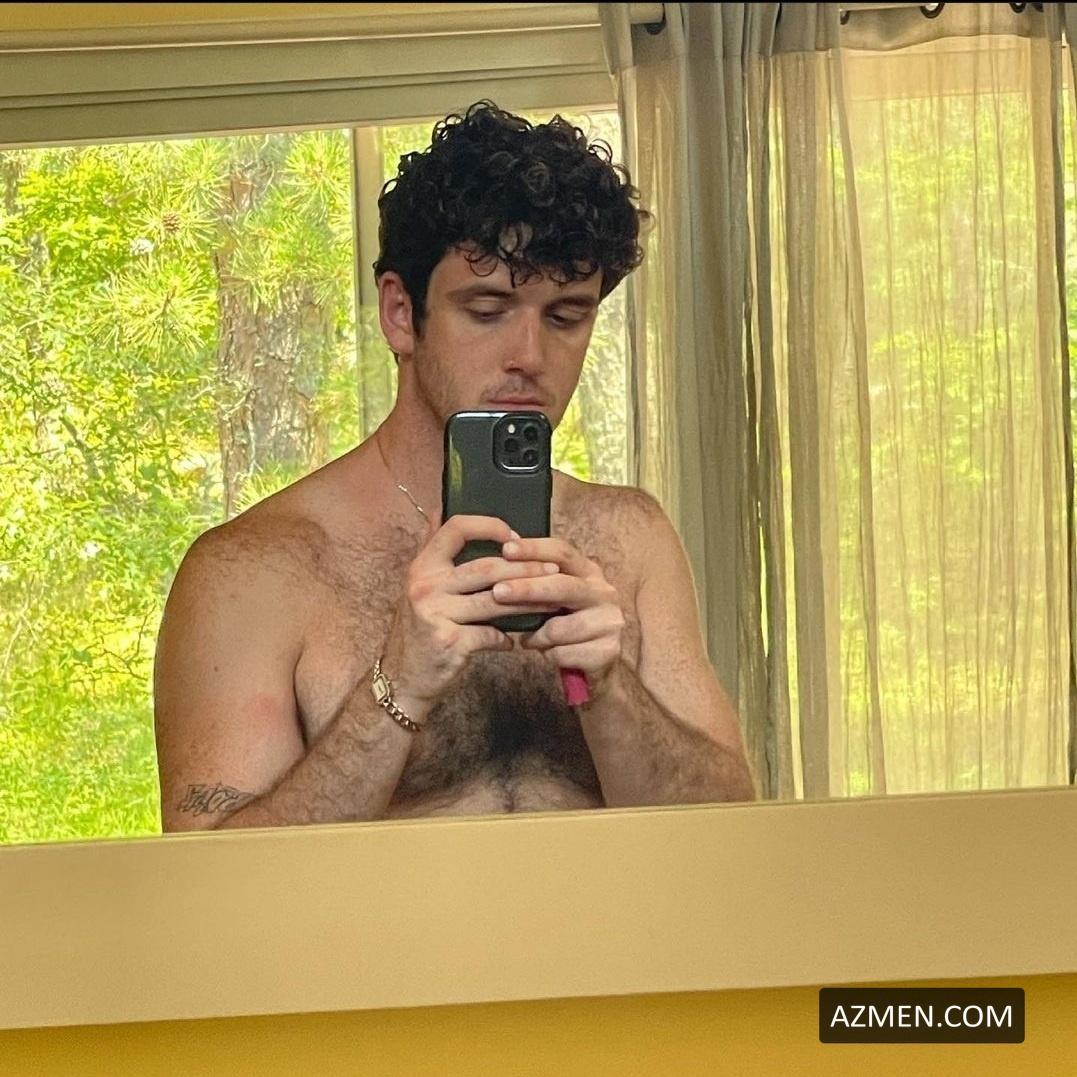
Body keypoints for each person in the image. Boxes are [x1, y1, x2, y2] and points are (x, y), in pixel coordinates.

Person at [153, 100, 756, 831]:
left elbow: (731, 829)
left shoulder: (630, 535)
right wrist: (396, 690)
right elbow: (215, 875)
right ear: (400, 314)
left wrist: (607, 687)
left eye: (565, 316)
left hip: (613, 912)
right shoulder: (253, 569)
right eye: (487, 309)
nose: (529, 357)